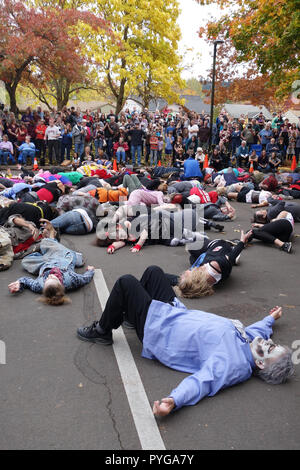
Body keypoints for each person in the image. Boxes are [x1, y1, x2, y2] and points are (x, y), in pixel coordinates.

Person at [77, 266, 294, 416]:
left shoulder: (232, 363)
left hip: (160, 330)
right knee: (154, 272)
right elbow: (255, 332)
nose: (267, 343)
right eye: (271, 343)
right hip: (174, 314)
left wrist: (174, 400)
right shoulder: (248, 343)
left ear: (261, 364)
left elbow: (203, 381)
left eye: (270, 348)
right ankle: (133, 315)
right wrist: (269, 320)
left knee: (126, 282)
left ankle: (102, 330)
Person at [8, 221, 95, 306]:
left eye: (46, 280)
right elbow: (85, 278)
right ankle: (52, 235)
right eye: (53, 278)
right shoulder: (72, 280)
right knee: (45, 243)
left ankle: (46, 249)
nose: (49, 276)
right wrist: (90, 270)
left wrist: (19, 284)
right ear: (61, 284)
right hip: (63, 258)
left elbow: (26, 281)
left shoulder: (39, 286)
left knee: (25, 261)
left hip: (45, 263)